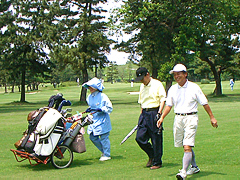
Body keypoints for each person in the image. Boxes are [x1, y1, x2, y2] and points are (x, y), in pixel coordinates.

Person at [157, 64, 218, 179]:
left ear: (185, 74)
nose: (176, 76)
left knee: (187, 146)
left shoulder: (194, 87)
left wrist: (212, 117)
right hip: (178, 118)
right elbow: (169, 105)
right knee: (186, 144)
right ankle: (194, 166)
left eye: (179, 74)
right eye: (175, 75)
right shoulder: (173, 89)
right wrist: (162, 117)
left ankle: (183, 172)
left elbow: (204, 103)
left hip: (191, 118)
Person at [135, 67, 166, 170]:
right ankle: (152, 155)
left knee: (155, 138)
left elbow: (162, 99)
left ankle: (157, 162)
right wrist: (141, 115)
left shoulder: (157, 84)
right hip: (144, 113)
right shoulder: (142, 86)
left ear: (147, 75)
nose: (142, 81)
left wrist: (159, 113)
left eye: (143, 78)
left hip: (154, 111)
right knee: (140, 138)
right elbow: (141, 101)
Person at [82, 77, 113, 161]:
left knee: (104, 138)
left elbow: (109, 108)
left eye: (92, 87)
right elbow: (92, 106)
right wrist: (89, 109)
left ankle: (107, 154)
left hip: (103, 120)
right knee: (92, 137)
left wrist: (102, 109)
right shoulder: (89, 97)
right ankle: (103, 151)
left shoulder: (103, 96)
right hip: (94, 119)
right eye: (89, 87)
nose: (90, 88)